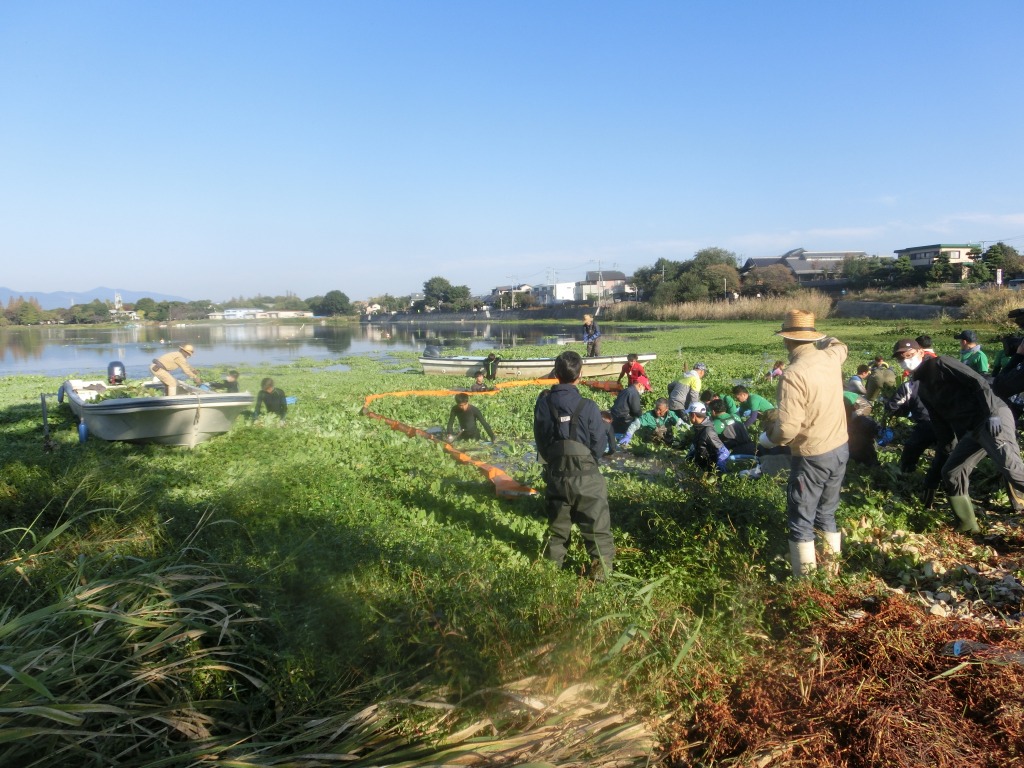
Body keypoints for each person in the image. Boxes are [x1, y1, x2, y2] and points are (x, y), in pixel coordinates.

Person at [892, 337, 1024, 532]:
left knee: (1013, 471)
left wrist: (993, 413)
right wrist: (933, 476)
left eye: (909, 355)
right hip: (974, 430)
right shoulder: (924, 390)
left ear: (920, 352)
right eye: (901, 358)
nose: (906, 361)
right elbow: (943, 433)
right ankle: (968, 526)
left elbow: (978, 381)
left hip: (990, 418)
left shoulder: (941, 363)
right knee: (952, 472)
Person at [763, 310, 849, 578]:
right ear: (811, 336)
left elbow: (788, 429)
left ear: (787, 340)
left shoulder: (793, 374)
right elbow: (841, 346)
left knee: (801, 519)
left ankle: (806, 584)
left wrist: (770, 438)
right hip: (840, 447)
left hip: (813, 455)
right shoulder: (831, 357)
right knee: (827, 512)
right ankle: (831, 574)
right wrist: (823, 339)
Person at [533, 350, 614, 580]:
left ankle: (550, 580)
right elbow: (599, 444)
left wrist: (556, 462)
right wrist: (587, 463)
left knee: (557, 532)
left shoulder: (543, 404)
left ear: (555, 373)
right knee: (598, 532)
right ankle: (599, 582)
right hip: (587, 477)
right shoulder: (588, 406)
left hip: (557, 476)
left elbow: (541, 441)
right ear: (580, 374)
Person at [685, 402, 730, 473]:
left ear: (693, 415)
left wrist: (718, 470)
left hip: (709, 470)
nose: (689, 417)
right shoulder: (699, 427)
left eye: (689, 415)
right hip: (701, 468)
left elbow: (724, 452)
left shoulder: (708, 431)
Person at [619, 398, 683, 447]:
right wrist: (628, 436)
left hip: (667, 442)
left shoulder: (671, 414)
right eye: (656, 408)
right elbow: (635, 424)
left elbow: (681, 424)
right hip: (651, 444)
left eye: (660, 410)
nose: (657, 412)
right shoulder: (649, 415)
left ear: (666, 409)